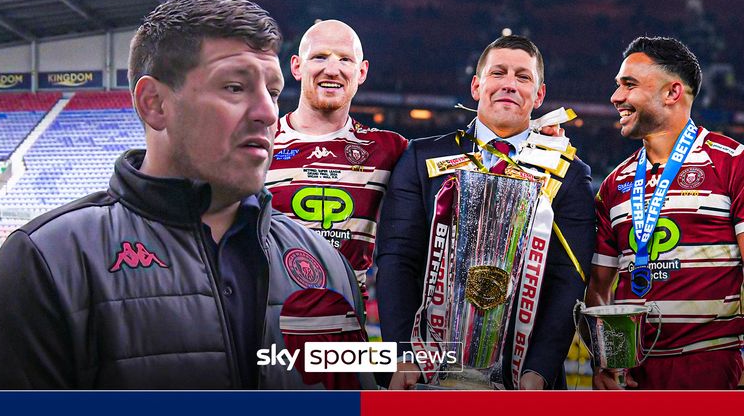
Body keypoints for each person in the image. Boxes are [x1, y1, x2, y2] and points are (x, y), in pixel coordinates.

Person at [0, 0, 373, 390]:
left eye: (272, 92)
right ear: (154, 104)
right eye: (235, 87)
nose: (269, 113)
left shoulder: (326, 264)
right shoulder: (46, 262)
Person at [375, 35, 595, 390]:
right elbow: (398, 259)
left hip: (521, 377)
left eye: (523, 77)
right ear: (477, 86)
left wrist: (537, 370)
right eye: (499, 73)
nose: (509, 83)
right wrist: (403, 354)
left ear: (538, 95)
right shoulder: (420, 158)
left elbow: (568, 280)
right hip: (426, 367)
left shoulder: (568, 172)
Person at [587, 36, 744, 390]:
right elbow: (599, 287)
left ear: (672, 92)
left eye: (629, 85)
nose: (615, 98)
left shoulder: (732, 163)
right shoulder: (615, 184)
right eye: (617, 86)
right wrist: (606, 360)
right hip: (631, 373)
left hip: (708, 364)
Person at [265, 20, 408, 298]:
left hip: (345, 332)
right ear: (296, 66)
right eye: (319, 57)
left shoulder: (388, 148)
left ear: (362, 71)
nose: (332, 70)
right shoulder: (261, 143)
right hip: (267, 330)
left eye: (345, 59)